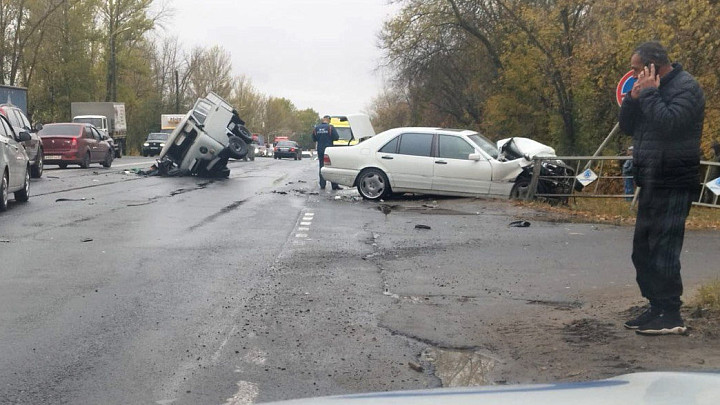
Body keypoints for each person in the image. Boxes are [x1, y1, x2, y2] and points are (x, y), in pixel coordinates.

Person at [619, 41, 705, 335]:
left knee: (664, 250)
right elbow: (628, 128)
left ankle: (671, 314)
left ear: (653, 65)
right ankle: (656, 306)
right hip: (651, 179)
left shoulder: (686, 88)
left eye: (635, 68)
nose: (632, 73)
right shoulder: (644, 91)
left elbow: (670, 123)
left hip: (675, 180)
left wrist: (651, 94)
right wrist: (633, 98)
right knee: (642, 250)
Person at [312, 115, 340, 190]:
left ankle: (322, 184)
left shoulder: (316, 128)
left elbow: (314, 139)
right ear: (329, 120)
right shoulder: (330, 127)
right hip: (329, 150)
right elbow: (336, 137)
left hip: (320, 149)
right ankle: (334, 185)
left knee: (322, 166)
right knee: (331, 166)